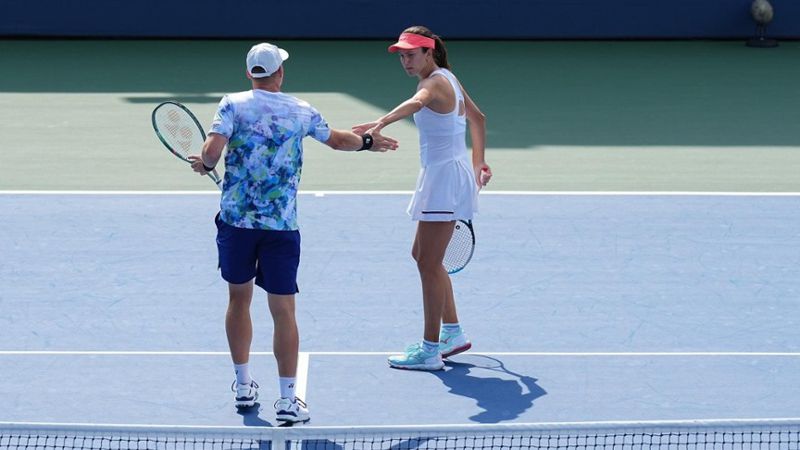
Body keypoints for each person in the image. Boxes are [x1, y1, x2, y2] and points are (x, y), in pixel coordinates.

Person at [188, 42, 397, 423]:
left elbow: (212, 154)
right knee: (283, 310)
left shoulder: (231, 104)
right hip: (281, 227)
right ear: (279, 73)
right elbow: (338, 140)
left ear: (249, 74)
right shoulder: (301, 110)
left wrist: (204, 162)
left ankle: (243, 386)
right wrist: (368, 142)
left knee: (238, 300)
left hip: (236, 224)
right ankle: (287, 400)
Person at [352, 26, 492, 371]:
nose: (406, 61)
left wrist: (381, 122)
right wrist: (478, 163)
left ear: (430, 52)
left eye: (412, 54)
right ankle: (452, 333)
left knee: (429, 264)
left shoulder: (434, 84)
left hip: (444, 180)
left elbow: (418, 102)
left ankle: (430, 350)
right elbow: (478, 118)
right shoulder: (449, 78)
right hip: (446, 176)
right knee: (423, 257)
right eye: (402, 56)